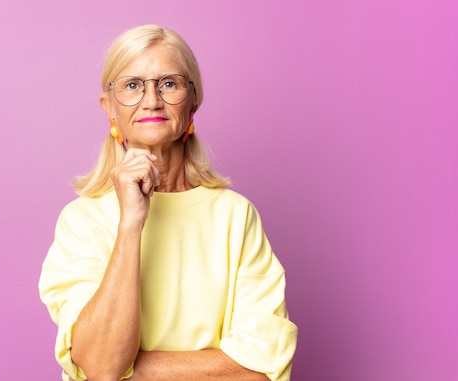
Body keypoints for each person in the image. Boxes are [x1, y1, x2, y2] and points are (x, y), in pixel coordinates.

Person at [38, 24, 298, 381]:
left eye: (168, 83)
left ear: (193, 102)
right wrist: (131, 223)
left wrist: (130, 368)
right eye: (132, 85)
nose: (151, 100)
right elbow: (100, 366)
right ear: (109, 108)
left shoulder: (236, 217)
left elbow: (259, 371)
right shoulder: (81, 221)